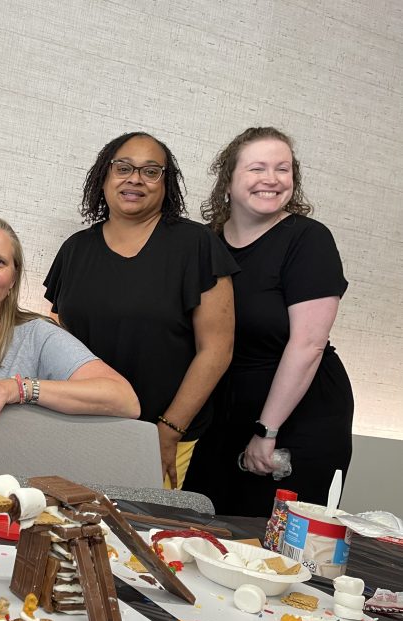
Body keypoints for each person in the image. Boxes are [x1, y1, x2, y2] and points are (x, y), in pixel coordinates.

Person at [44, 132, 238, 489]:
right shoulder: (75, 250)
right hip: (80, 429)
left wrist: (169, 431)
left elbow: (217, 350)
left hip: (160, 435)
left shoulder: (196, 245)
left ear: (166, 184)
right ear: (104, 176)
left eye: (151, 171)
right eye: (123, 168)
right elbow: (58, 341)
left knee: (139, 538)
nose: (135, 179)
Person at [183, 127, 353, 516]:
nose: (272, 179)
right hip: (223, 418)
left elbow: (308, 345)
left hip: (297, 419)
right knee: (197, 529)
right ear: (228, 179)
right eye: (258, 168)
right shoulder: (205, 244)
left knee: (273, 549)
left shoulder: (308, 240)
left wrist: (266, 431)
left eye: (283, 168)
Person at [0, 216, 140, 470]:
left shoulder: (37, 336)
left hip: (1, 503)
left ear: (12, 279)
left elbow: (125, 399)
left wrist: (21, 390)